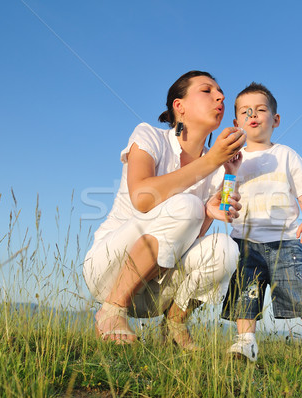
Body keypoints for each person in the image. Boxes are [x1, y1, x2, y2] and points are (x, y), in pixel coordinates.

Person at [83, 70, 246, 349]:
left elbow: (187, 240)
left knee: (225, 248)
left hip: (156, 290)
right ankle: (111, 311)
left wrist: (219, 191)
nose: (220, 97)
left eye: (221, 93)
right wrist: (211, 164)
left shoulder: (216, 167)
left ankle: (174, 323)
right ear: (179, 107)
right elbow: (143, 197)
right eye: (207, 91)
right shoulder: (149, 136)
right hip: (110, 271)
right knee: (188, 205)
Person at [220, 83, 302, 378]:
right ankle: (245, 342)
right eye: (246, 112)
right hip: (244, 241)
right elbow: (224, 206)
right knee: (244, 294)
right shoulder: (234, 160)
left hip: (284, 241)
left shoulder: (286, 154)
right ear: (236, 122)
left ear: (275, 119)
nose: (253, 115)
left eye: (261, 110)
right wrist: (229, 173)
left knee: (299, 291)